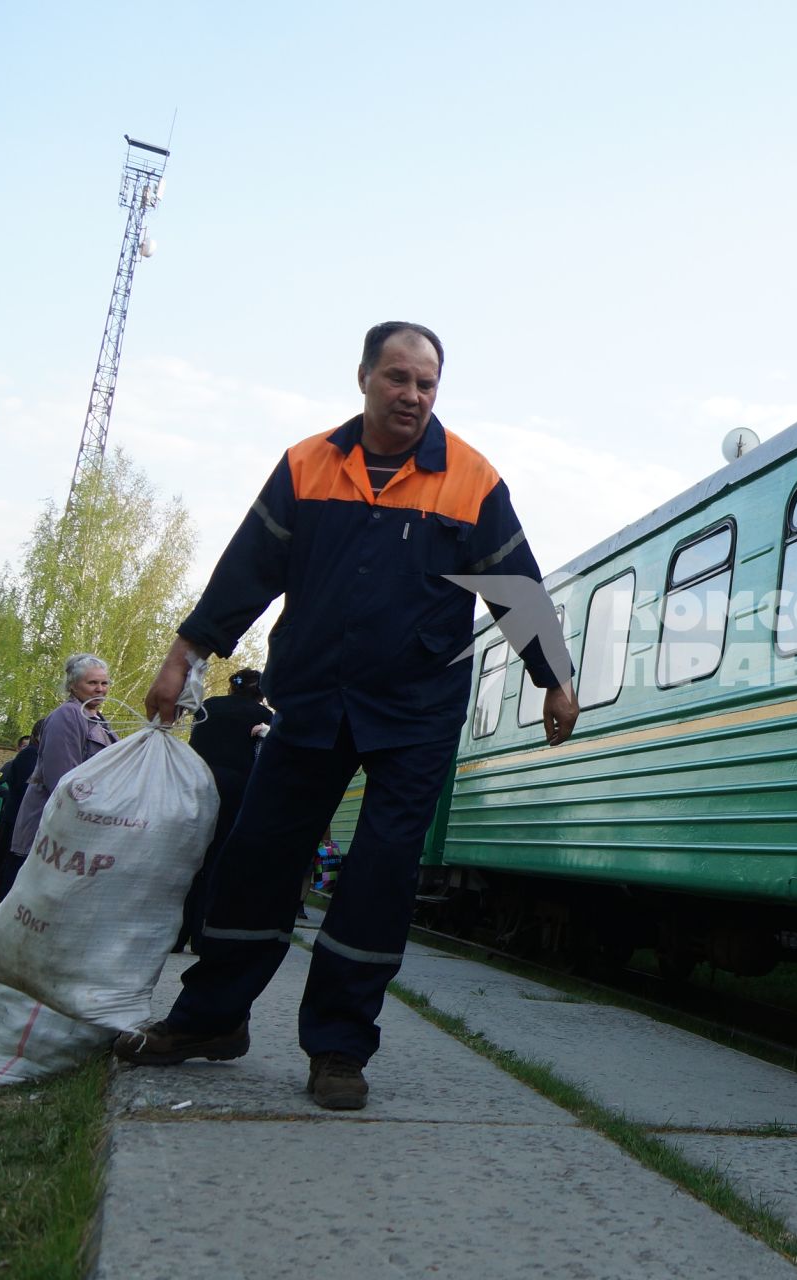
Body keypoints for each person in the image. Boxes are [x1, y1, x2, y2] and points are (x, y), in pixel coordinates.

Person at [115, 321, 578, 1112]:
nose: (412, 396)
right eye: (398, 378)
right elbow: (247, 570)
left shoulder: (470, 480)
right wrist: (185, 653)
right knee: (257, 855)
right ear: (364, 377)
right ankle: (211, 1020)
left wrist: (554, 679)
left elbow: (516, 588)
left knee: (379, 874)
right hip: (314, 698)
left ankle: (337, 1046)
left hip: (418, 710)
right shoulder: (307, 466)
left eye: (427, 384)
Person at [175, 669, 273, 951]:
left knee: (192, 856)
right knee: (219, 859)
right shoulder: (264, 717)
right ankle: (203, 933)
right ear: (261, 692)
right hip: (237, 790)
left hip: (198, 783)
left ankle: (177, 931)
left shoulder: (207, 707)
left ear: (232, 687)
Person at [5, 657, 118, 895]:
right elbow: (62, 778)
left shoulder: (99, 720)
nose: (100, 689)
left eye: (104, 683)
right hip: (56, 822)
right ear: (73, 685)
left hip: (83, 822)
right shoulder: (67, 716)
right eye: (92, 683)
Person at [0, 732, 35, 900]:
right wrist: (9, 795)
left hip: (26, 818)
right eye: (24, 746)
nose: (27, 749)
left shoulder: (37, 765)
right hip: (10, 816)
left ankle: (4, 890)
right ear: (18, 748)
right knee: (0, 852)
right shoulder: (11, 765)